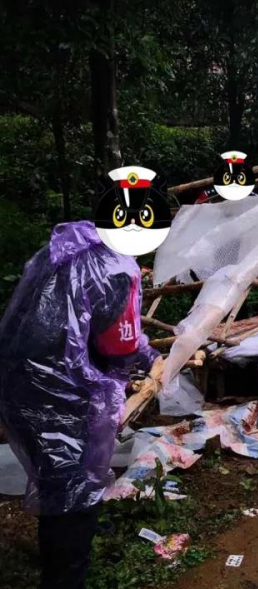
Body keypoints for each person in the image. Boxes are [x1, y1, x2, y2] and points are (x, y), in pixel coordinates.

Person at [0, 222, 159, 589]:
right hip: (63, 394)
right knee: (73, 488)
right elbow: (120, 344)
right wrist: (148, 358)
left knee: (58, 482)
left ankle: (67, 549)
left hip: (18, 383)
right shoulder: (117, 268)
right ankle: (65, 576)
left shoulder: (62, 250)